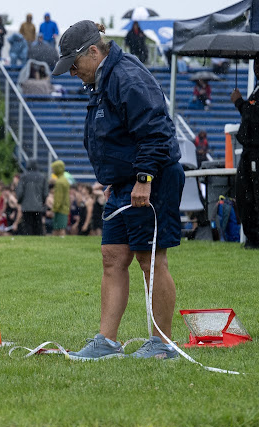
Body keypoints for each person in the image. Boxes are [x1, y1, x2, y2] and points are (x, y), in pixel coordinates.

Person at [52, 20, 185, 360]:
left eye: (74, 65)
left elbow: (155, 129)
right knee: (112, 258)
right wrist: (116, 176)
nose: (72, 73)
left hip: (151, 179)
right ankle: (107, 342)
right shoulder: (101, 80)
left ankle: (162, 345)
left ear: (93, 52)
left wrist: (144, 178)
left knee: (150, 260)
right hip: (124, 184)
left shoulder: (127, 76)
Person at [231, 53, 259, 250]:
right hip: (251, 149)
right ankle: (254, 237)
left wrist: (240, 103)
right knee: (244, 194)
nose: (258, 66)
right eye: (256, 62)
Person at [15, 160, 46, 235]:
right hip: (38, 206)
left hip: (26, 206)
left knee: (27, 226)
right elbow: (45, 193)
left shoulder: (24, 177)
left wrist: (19, 201)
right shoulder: (42, 177)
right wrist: (42, 202)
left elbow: (20, 192)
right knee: (38, 226)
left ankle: (28, 240)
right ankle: (39, 242)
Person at [50, 162, 70, 237]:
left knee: (59, 229)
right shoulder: (64, 180)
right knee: (60, 227)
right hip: (65, 208)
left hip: (60, 209)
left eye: (53, 168)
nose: (52, 170)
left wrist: (54, 209)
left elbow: (59, 198)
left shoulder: (59, 182)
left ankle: (60, 244)